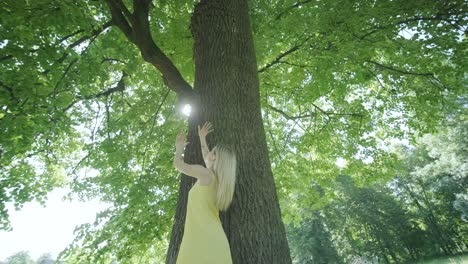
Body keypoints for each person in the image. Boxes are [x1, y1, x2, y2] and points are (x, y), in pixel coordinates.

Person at [174, 122, 236, 264]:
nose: (209, 153)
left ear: (215, 158)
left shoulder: (206, 175)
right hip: (214, 241)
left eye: (212, 152)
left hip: (201, 239)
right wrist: (202, 138)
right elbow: (206, 157)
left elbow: (178, 164)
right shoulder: (219, 182)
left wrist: (179, 148)